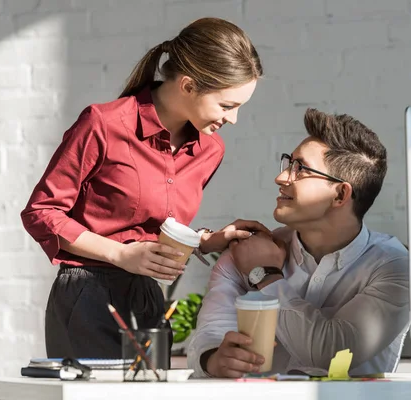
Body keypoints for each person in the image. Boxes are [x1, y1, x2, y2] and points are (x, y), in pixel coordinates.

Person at [20, 17, 268, 359]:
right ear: (187, 86)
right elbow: (41, 212)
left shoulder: (210, 150)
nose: (233, 119)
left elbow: (155, 226)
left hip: (148, 297)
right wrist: (121, 254)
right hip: (88, 295)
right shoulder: (104, 125)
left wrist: (206, 241)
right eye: (227, 105)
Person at [188, 108, 410, 378]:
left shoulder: (393, 266)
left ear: (340, 194)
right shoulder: (246, 250)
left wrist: (266, 277)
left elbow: (334, 353)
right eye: (288, 164)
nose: (281, 178)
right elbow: (209, 336)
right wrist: (213, 359)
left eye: (300, 169)